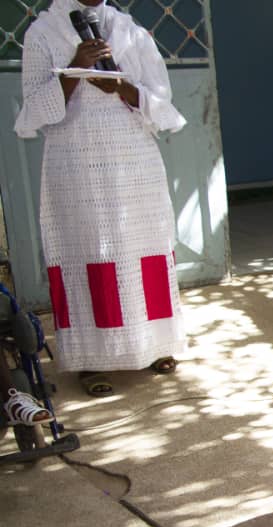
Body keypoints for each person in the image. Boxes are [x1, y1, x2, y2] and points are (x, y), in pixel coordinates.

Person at [15, 0, 187, 397]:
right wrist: (75, 70)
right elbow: (34, 111)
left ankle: (154, 345)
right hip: (75, 161)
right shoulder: (41, 34)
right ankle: (91, 360)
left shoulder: (130, 30)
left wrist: (122, 86)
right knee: (87, 252)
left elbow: (162, 102)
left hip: (133, 160)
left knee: (141, 248)